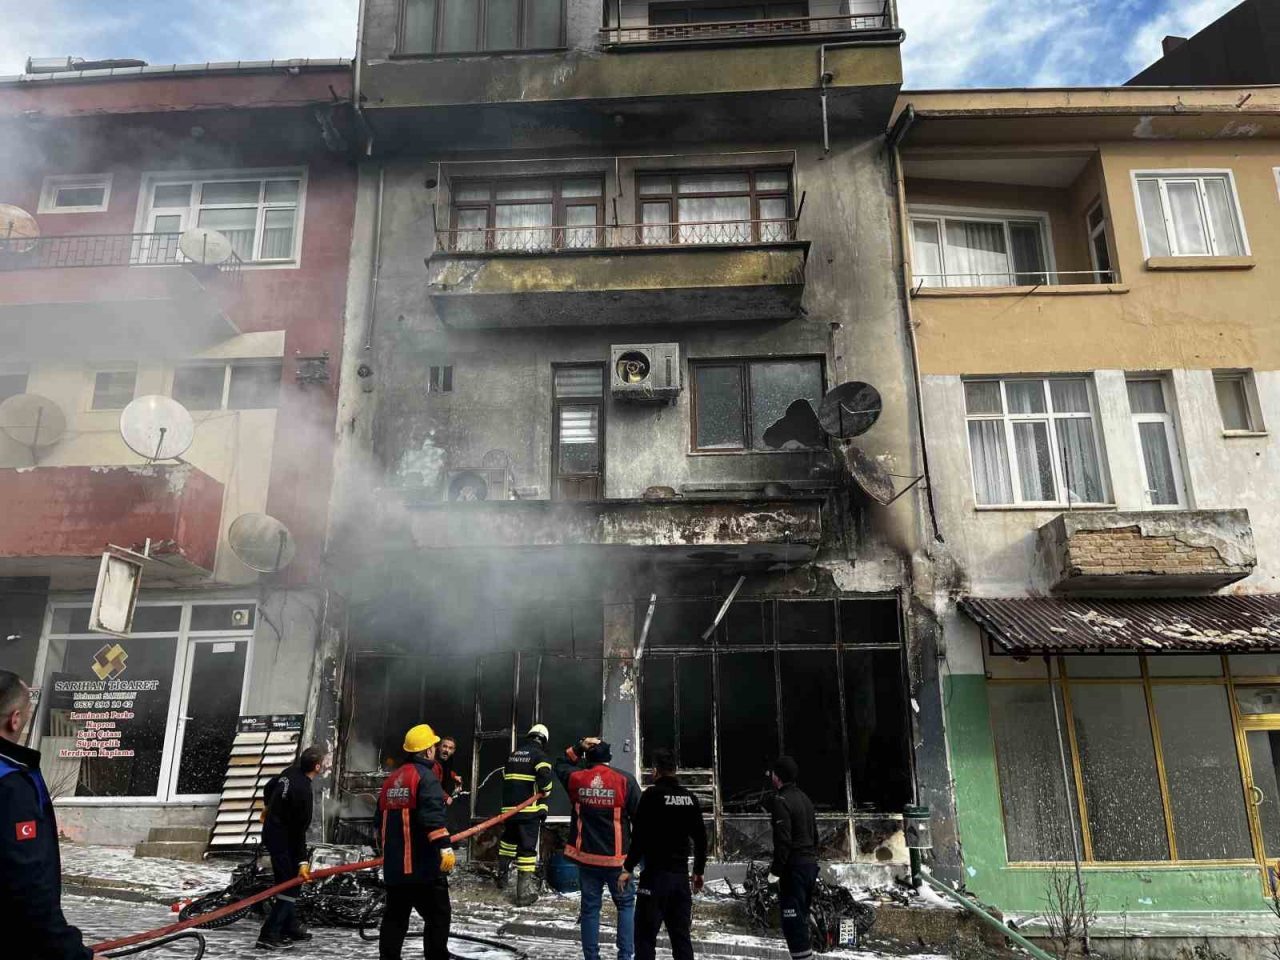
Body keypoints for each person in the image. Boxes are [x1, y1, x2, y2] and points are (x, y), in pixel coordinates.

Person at [0, 671, 102, 960]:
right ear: (15, 719)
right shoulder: (11, 783)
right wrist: (75, 955)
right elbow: (27, 889)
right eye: (28, 712)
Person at [555, 736, 642, 960]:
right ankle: (625, 956)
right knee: (625, 906)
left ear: (588, 757)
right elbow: (642, 822)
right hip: (617, 862)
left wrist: (577, 748)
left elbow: (560, 764)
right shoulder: (625, 780)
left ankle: (591, 957)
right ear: (609, 758)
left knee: (590, 909)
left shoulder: (577, 779)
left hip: (587, 860)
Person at [378, 723, 456, 960]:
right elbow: (432, 817)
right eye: (433, 746)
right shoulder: (426, 777)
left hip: (395, 869)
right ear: (427, 751)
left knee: (395, 919)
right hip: (422, 869)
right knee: (438, 916)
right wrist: (445, 847)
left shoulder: (391, 779)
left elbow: (377, 821)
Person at [621, 748, 706, 960]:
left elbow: (639, 837)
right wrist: (698, 871)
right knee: (681, 938)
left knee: (645, 938)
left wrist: (628, 867)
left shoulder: (651, 796)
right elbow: (701, 839)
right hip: (680, 880)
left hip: (654, 878)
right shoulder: (690, 798)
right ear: (675, 770)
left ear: (655, 771)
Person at [256, 743, 328, 951]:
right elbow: (298, 831)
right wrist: (302, 861)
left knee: (285, 881)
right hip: (282, 840)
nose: (326, 764)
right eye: (324, 762)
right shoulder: (303, 792)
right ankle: (269, 934)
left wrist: (268, 806)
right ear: (317, 767)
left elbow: (269, 787)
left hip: (272, 832)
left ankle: (290, 926)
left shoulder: (290, 772)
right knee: (290, 886)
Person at [767, 757, 819, 960]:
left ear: (777, 777)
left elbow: (783, 841)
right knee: (801, 919)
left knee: (792, 923)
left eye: (773, 773)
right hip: (809, 866)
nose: (771, 776)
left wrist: (775, 872)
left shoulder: (781, 801)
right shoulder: (805, 799)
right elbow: (815, 836)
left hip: (793, 869)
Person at [497, 723, 554, 906]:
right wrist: (547, 789)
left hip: (509, 811)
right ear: (543, 740)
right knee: (527, 849)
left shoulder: (513, 755)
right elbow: (545, 778)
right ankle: (523, 894)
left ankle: (502, 877)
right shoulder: (539, 755)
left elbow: (506, 777)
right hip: (528, 811)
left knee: (508, 842)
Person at [433, 735, 465, 804]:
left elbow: (444, 770)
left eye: (450, 748)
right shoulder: (433, 762)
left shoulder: (448, 759)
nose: (446, 750)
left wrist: (454, 776)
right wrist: (445, 797)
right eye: (444, 746)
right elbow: (432, 784)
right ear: (439, 747)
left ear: (453, 751)